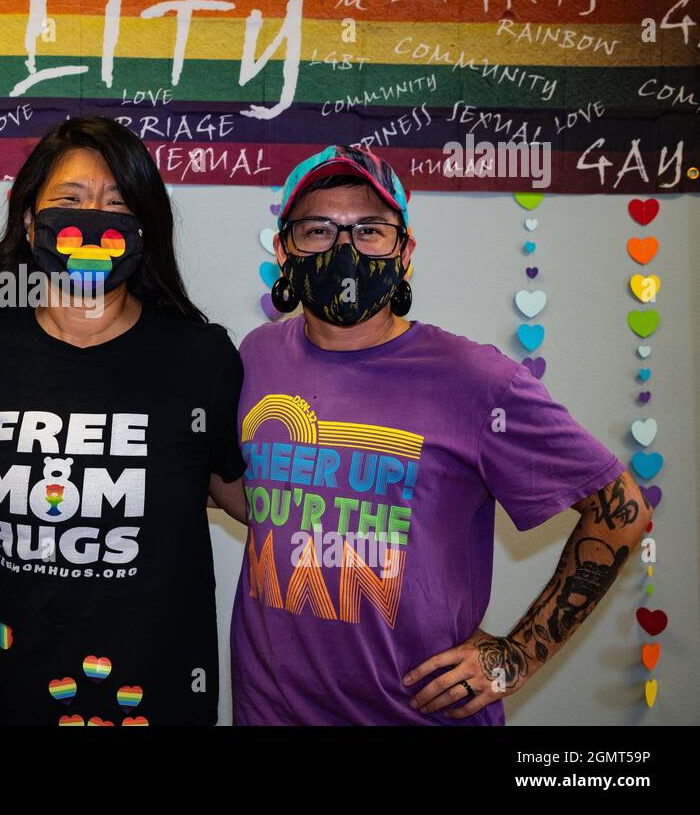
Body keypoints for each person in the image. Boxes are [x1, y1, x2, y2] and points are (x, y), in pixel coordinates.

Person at [231, 143, 651, 725]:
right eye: (318, 230)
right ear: (284, 250)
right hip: (273, 713)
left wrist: (517, 656)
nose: (345, 249)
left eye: (370, 230)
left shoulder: (475, 380)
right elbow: (267, 499)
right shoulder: (257, 357)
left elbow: (622, 508)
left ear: (405, 253)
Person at [0, 116, 246, 726]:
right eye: (71, 201)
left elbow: (250, 500)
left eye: (118, 203)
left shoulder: (201, 357)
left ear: (144, 228)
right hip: (5, 692)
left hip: (158, 695)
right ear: (29, 222)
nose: (95, 219)